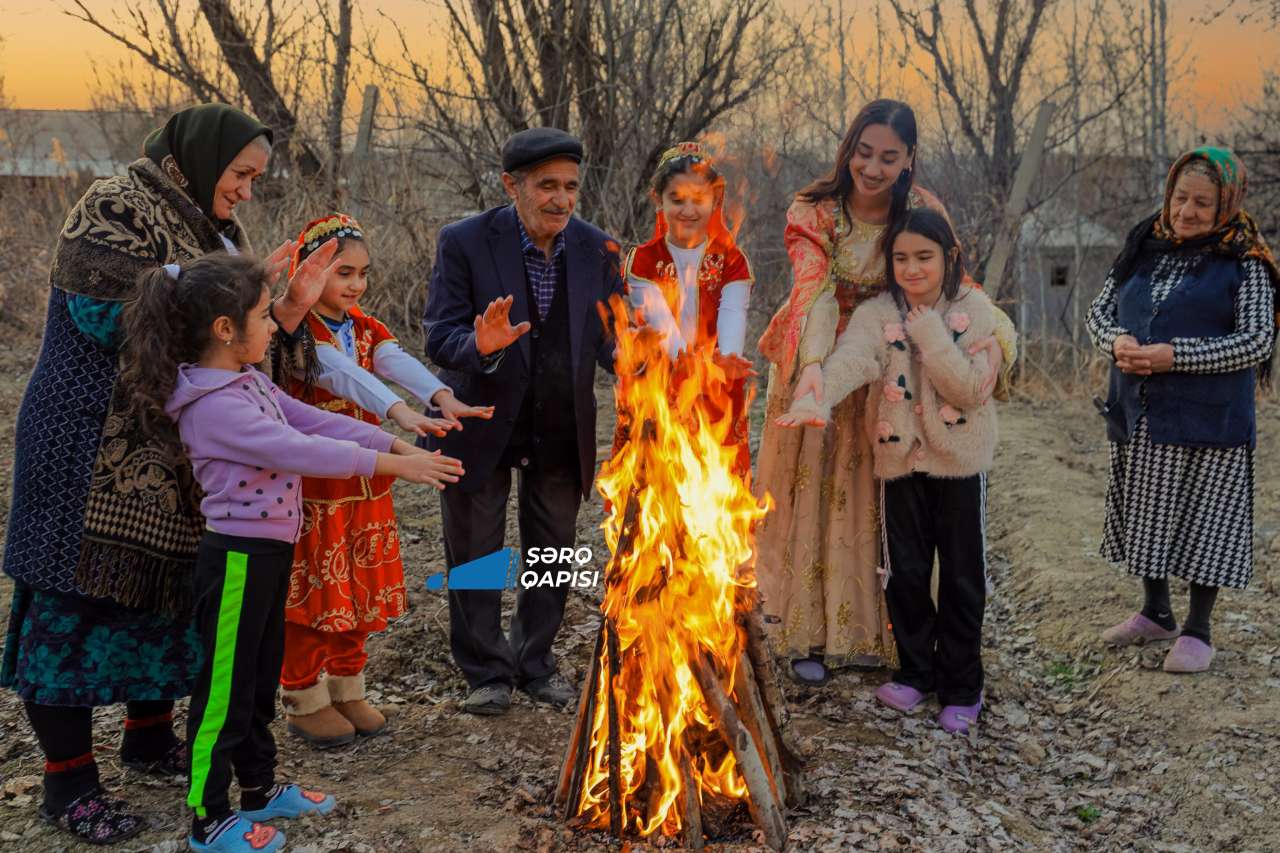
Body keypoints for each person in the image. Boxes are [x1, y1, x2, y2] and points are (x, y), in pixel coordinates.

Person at [0, 103, 332, 844]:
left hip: (173, 457)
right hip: (86, 450)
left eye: (255, 177)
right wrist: (231, 301)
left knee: (164, 604)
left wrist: (280, 311)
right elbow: (107, 316)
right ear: (198, 159)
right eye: (240, 173)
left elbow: (233, 344)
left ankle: (149, 742)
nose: (246, 189)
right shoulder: (114, 207)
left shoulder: (214, 231)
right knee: (74, 612)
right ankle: (69, 784)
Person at [118, 252, 462, 852]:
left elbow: (310, 420)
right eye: (262, 316)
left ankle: (259, 788)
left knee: (257, 683)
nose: (273, 326)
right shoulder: (212, 405)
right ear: (225, 329)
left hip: (271, 554)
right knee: (224, 692)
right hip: (236, 560)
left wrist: (393, 443)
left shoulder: (246, 380)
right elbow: (297, 449)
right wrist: (389, 465)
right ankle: (207, 817)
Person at [754, 99, 1016, 686]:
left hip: (894, 367)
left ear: (909, 159)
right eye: (863, 152)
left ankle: (883, 635)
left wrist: (999, 338)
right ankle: (808, 632)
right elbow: (814, 291)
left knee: (883, 503)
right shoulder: (814, 211)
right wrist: (815, 368)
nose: (872, 168)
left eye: (888, 158)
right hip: (822, 359)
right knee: (816, 493)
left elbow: (960, 283)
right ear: (848, 149)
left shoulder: (921, 208)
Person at [422, 127, 624, 715]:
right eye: (547, 186)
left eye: (571, 187)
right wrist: (481, 346)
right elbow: (439, 335)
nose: (561, 200)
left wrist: (657, 361)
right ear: (511, 185)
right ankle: (486, 672)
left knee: (552, 553)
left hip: (561, 423)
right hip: (479, 420)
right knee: (476, 552)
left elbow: (614, 342)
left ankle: (536, 662)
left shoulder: (598, 249)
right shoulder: (464, 241)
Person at [778, 208, 1000, 734]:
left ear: (949, 257)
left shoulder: (973, 309)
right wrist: (818, 397)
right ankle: (917, 671)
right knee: (905, 571)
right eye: (901, 258)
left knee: (962, 576)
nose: (912, 269)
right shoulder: (878, 312)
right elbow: (855, 359)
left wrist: (930, 334)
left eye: (924, 257)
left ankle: (962, 685)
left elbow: (969, 389)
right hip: (899, 461)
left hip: (959, 464)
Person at [279, 213, 492, 746]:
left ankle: (347, 688)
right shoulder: (295, 331)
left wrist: (441, 397)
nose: (356, 285)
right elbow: (341, 375)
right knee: (313, 591)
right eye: (343, 273)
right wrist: (400, 412)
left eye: (363, 273)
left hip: (368, 482)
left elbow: (392, 360)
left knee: (359, 585)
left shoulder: (363, 326)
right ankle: (304, 696)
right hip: (317, 483)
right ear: (309, 271)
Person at [1086, 146, 1278, 673]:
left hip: (1210, 418)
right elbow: (1098, 311)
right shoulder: (1143, 246)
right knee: (1147, 509)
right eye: (1180, 198)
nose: (1186, 212)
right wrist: (1116, 341)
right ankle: (1156, 612)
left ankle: (1198, 630)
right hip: (1142, 409)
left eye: (1202, 203)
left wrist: (1176, 356)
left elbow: (1257, 341)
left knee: (1204, 518)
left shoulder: (1246, 261)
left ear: (1226, 204)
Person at [618, 141, 755, 475]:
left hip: (717, 382)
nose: (688, 210)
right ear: (658, 200)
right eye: (677, 200)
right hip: (658, 382)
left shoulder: (732, 260)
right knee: (654, 481)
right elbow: (660, 323)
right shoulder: (642, 261)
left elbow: (733, 312)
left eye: (698, 199)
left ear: (715, 200)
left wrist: (726, 359)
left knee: (715, 482)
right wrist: (690, 372)